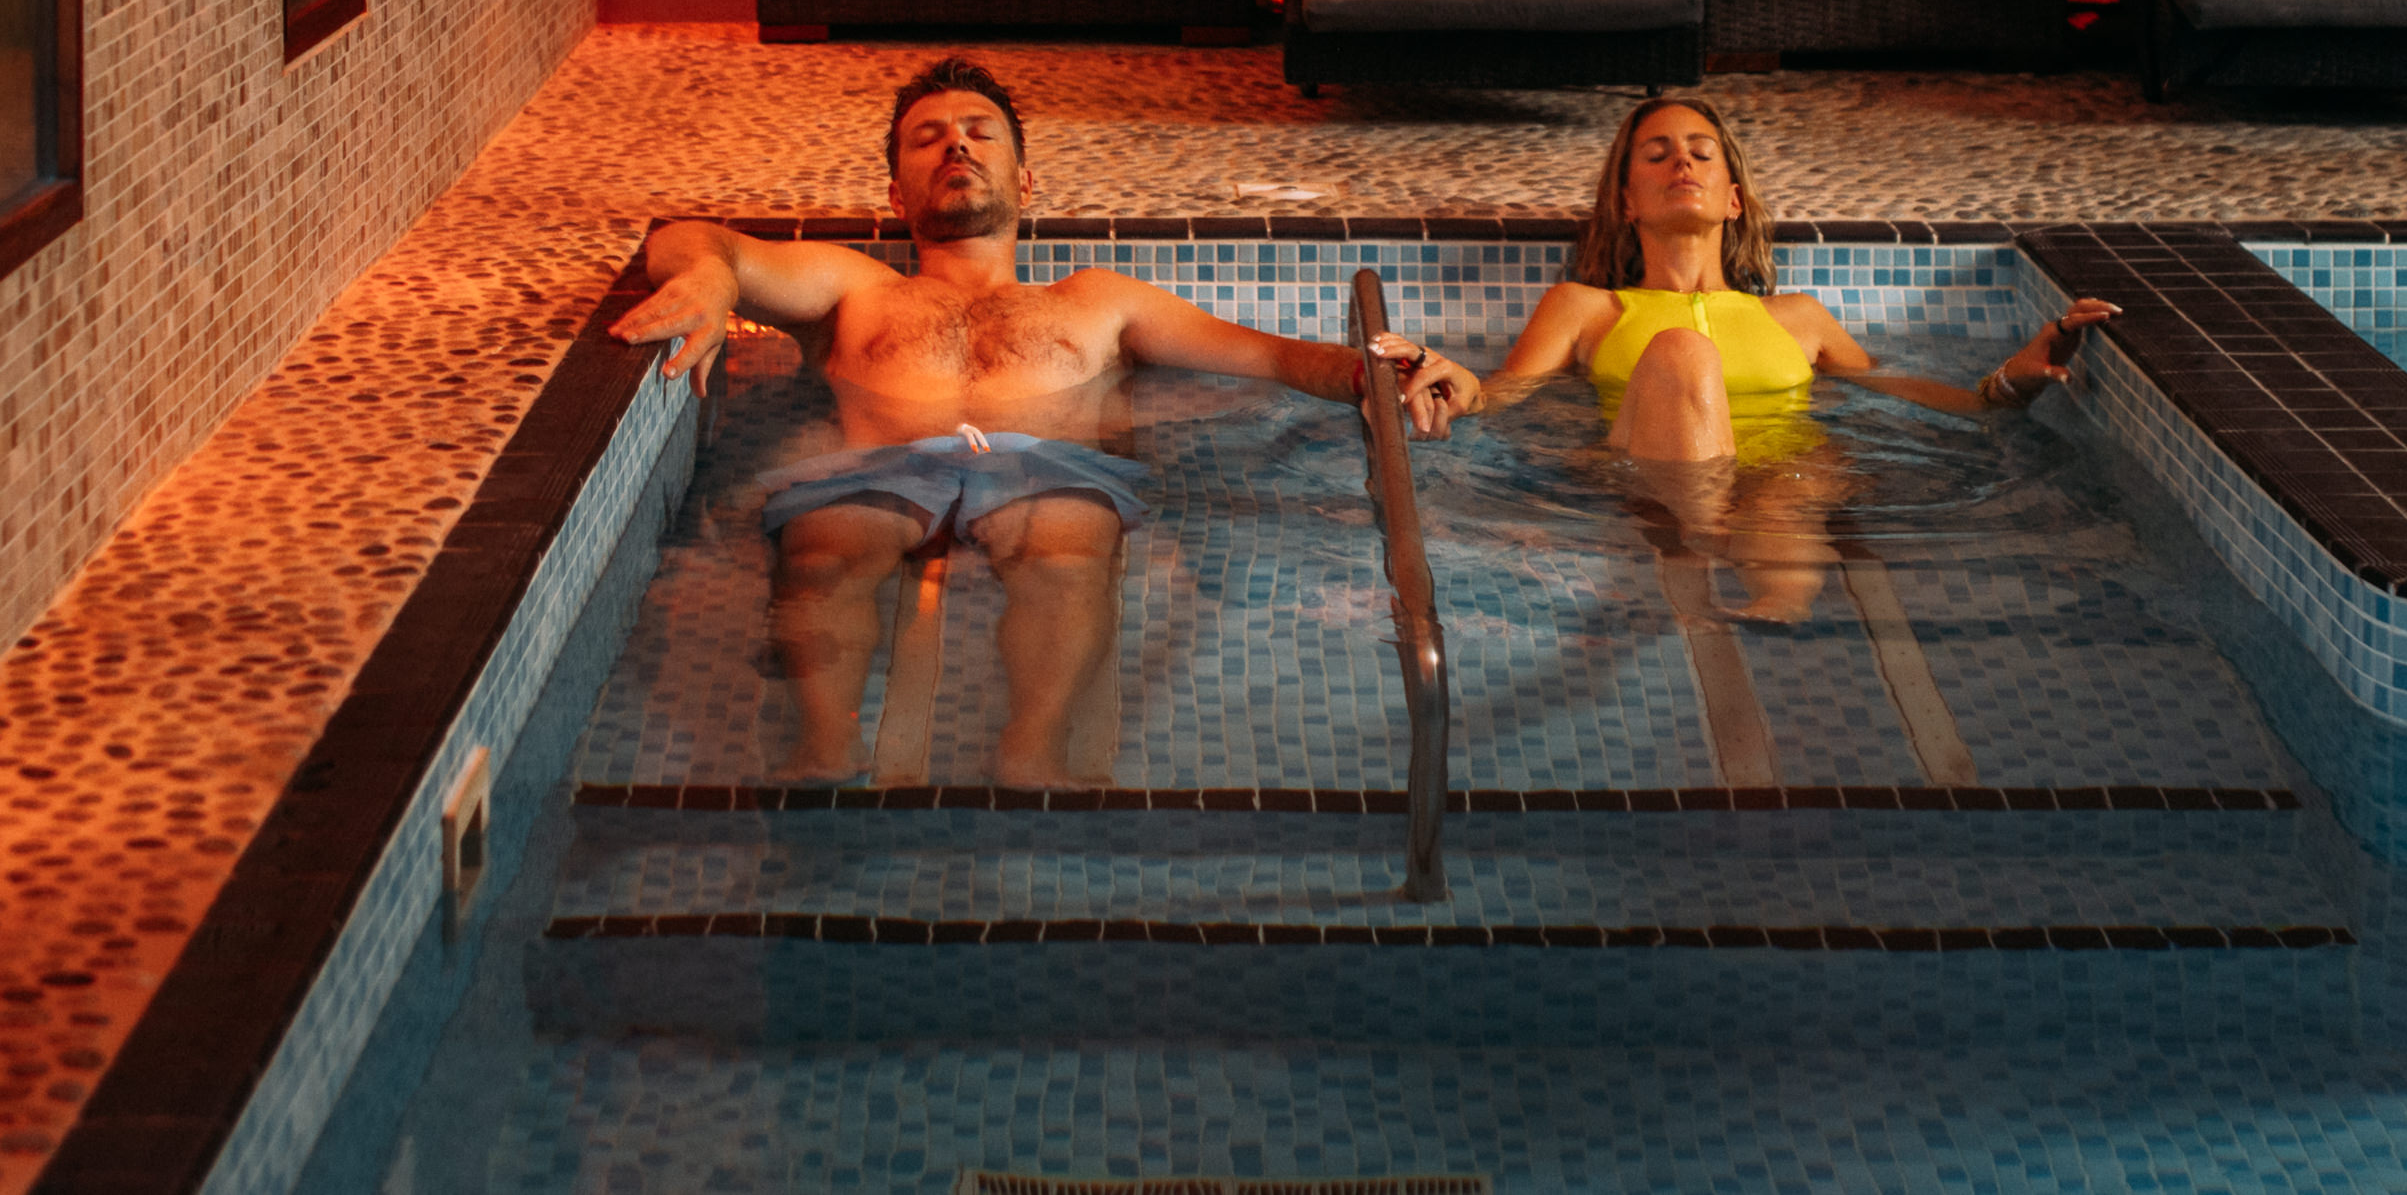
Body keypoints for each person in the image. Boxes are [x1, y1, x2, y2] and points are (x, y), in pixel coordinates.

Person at [614, 55, 1473, 786]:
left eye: (981, 131)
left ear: (1025, 180)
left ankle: (1033, 753)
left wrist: (1387, 373)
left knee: (1068, 547)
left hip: (1044, 467)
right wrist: (714, 281)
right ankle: (824, 751)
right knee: (826, 543)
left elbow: (1276, 358)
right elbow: (692, 238)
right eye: (930, 136)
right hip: (883, 461)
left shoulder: (1096, 300)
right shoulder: (853, 285)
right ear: (896, 189)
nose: (957, 142)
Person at [1462, 94, 2116, 617]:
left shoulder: (1799, 317)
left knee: (1793, 483)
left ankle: (1774, 610)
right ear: (1627, 200)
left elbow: (1895, 390)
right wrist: (1448, 380)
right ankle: (1705, 542)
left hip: (1782, 479)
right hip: (1663, 478)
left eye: (1700, 153)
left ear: (1733, 197)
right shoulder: (1585, 306)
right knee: (1684, 352)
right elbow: (1501, 395)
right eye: (1657, 156)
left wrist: (2009, 381)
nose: (1681, 165)